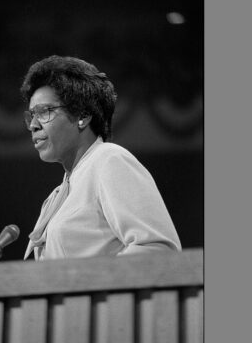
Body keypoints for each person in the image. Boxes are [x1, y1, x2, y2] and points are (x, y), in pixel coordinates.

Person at [21, 55, 182, 261]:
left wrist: (84, 285)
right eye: (31, 115)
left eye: (44, 112)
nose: (33, 124)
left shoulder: (109, 160)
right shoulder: (56, 196)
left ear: (83, 116)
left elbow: (158, 249)